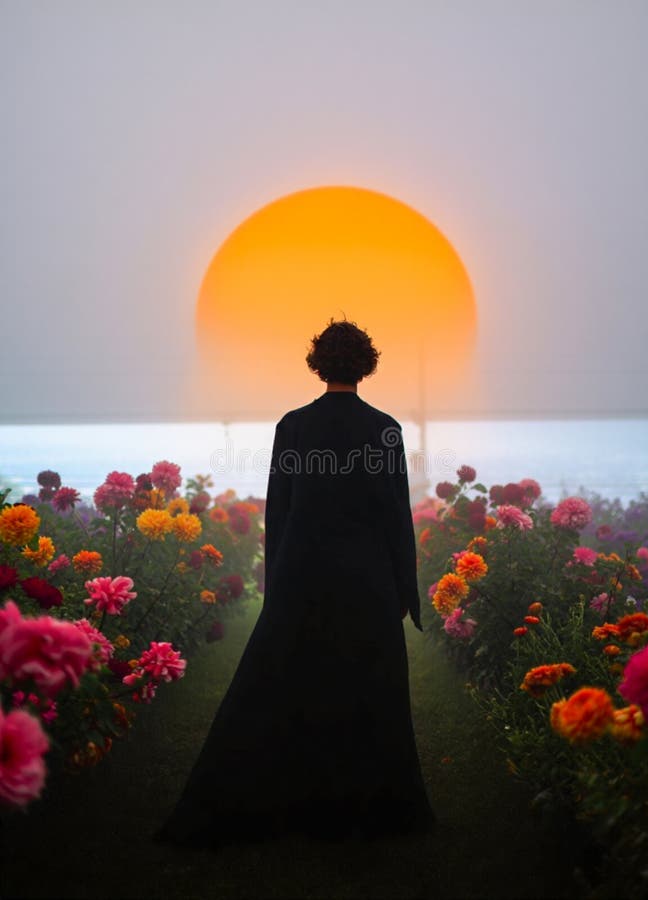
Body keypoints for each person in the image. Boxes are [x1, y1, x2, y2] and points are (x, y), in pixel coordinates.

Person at [154, 318, 436, 846]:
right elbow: (397, 515)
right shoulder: (385, 429)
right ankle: (371, 809)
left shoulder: (294, 426)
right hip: (368, 578)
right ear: (366, 364)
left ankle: (286, 801)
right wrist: (405, 589)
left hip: (303, 575)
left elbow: (278, 509)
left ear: (319, 363)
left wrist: (276, 577)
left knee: (290, 685)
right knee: (368, 691)